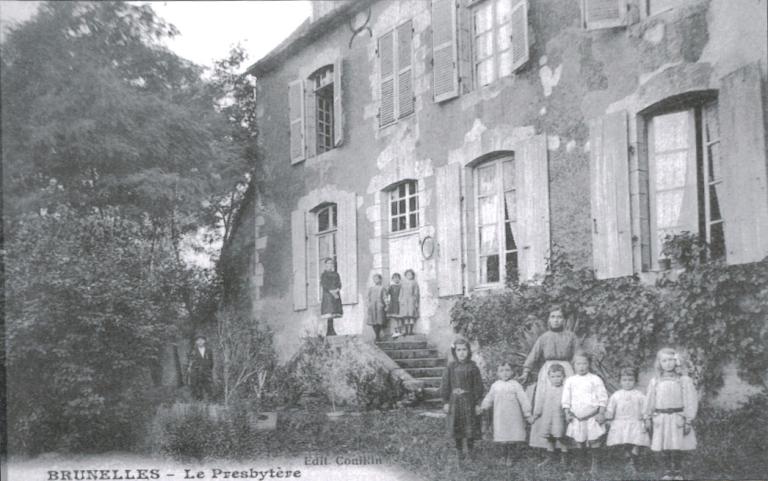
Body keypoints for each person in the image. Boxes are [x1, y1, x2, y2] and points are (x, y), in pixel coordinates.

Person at [521, 306, 578, 451]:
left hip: (566, 371)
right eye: (553, 317)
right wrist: (526, 371)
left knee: (565, 403)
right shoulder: (544, 337)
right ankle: (547, 445)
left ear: (564, 320)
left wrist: (579, 374)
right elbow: (533, 355)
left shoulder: (570, 336)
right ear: (549, 320)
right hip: (547, 373)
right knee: (546, 403)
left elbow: (578, 355)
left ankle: (568, 445)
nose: (556, 320)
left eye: (559, 317)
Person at [643, 348, 698, 480]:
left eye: (671, 360)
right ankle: (667, 471)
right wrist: (647, 417)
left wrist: (688, 419)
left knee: (677, 445)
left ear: (676, 362)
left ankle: (677, 471)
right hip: (661, 418)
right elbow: (650, 400)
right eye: (664, 361)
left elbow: (690, 400)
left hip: (677, 417)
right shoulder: (655, 381)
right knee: (665, 445)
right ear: (659, 363)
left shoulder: (683, 380)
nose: (668, 364)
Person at [562, 350, 608, 475]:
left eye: (584, 364)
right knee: (579, 441)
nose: (581, 367)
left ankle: (595, 465)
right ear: (573, 365)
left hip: (592, 416)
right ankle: (581, 464)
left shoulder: (595, 379)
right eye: (578, 364)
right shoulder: (570, 380)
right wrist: (567, 413)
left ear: (589, 364)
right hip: (577, 418)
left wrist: (601, 413)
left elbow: (603, 398)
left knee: (594, 441)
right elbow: (566, 399)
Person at [480, 361, 533, 466]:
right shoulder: (495, 386)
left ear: (512, 372)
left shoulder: (516, 385)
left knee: (512, 435)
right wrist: (483, 407)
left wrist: (527, 413)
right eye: (501, 371)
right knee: (502, 436)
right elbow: (489, 397)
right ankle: (504, 455)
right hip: (500, 416)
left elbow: (523, 399)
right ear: (497, 373)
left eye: (507, 370)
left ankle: (511, 456)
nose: (505, 373)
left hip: (514, 416)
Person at [440, 338, 484, 463]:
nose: (462, 353)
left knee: (469, 427)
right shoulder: (451, 367)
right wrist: (445, 402)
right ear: (454, 352)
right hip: (455, 401)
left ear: (468, 351)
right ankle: (459, 451)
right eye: (458, 350)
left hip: (469, 401)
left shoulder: (473, 367)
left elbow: (478, 386)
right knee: (457, 426)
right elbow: (445, 385)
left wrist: (477, 403)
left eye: (464, 349)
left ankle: (470, 452)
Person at [606, 367, 650, 475]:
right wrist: (608, 418)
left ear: (635, 381)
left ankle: (635, 459)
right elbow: (611, 407)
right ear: (620, 381)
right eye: (624, 380)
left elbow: (645, 408)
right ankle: (628, 461)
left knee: (637, 441)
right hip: (620, 422)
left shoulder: (639, 395)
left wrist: (646, 418)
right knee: (624, 441)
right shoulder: (616, 395)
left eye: (630, 380)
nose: (627, 383)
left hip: (635, 421)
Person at [531, 363, 570, 469]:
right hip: (547, 417)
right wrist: (535, 415)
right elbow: (540, 402)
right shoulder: (546, 390)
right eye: (553, 377)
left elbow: (568, 403)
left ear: (563, 377)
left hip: (559, 418)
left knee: (560, 437)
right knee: (549, 437)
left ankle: (565, 459)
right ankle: (550, 457)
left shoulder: (565, 390)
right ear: (548, 377)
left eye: (559, 376)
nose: (556, 379)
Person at [187, 334, 214, 402]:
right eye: (198, 340)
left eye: (202, 340)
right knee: (197, 387)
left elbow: (211, 362)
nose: (200, 342)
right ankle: (197, 403)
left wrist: (208, 369)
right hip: (196, 372)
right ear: (196, 342)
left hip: (206, 372)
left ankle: (209, 401)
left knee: (208, 387)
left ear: (204, 341)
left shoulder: (209, 350)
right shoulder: (193, 351)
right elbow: (190, 362)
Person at [320, 258, 343, 336]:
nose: (330, 265)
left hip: (335, 294)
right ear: (326, 265)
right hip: (328, 294)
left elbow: (339, 284)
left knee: (334, 312)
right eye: (328, 263)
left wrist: (337, 290)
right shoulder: (324, 274)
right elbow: (324, 284)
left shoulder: (336, 274)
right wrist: (331, 291)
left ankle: (332, 329)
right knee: (329, 311)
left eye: (331, 263)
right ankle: (329, 330)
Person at [366, 273, 387, 342]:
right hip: (372, 306)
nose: (376, 280)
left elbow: (385, 297)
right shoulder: (371, 288)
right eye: (374, 279)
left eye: (377, 279)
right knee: (373, 321)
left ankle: (378, 336)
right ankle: (376, 335)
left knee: (379, 320)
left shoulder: (382, 288)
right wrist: (368, 305)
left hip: (379, 305)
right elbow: (368, 297)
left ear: (380, 279)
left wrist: (386, 305)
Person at [399, 269, 420, 336]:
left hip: (411, 300)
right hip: (404, 301)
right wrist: (400, 300)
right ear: (405, 275)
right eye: (408, 274)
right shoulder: (403, 283)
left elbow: (416, 293)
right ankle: (405, 331)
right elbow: (401, 292)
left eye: (410, 274)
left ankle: (410, 331)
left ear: (413, 275)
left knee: (411, 316)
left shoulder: (414, 283)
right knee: (405, 316)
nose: (409, 276)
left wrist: (416, 302)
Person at [386, 273, 402, 339]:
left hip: (399, 303)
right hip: (393, 303)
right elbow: (386, 293)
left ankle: (400, 331)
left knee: (400, 317)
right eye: (394, 278)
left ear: (399, 279)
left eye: (397, 277)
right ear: (392, 279)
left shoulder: (401, 286)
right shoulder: (391, 286)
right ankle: (396, 331)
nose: (396, 279)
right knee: (395, 318)